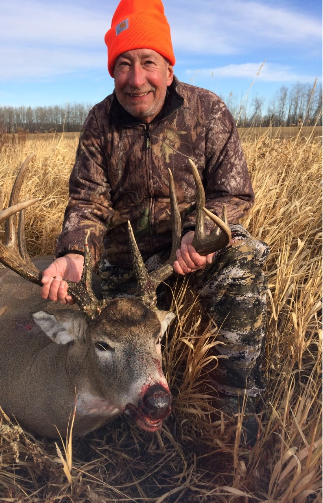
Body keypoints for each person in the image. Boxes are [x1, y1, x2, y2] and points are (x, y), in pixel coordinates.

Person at [41, 0, 269, 445]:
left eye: (148, 61)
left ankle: (236, 409)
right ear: (112, 72)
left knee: (243, 260)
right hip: (127, 260)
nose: (136, 78)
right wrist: (74, 253)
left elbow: (234, 192)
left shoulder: (209, 112)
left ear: (168, 66)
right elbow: (87, 200)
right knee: (86, 320)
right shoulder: (100, 123)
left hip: (192, 250)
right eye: (123, 64)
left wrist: (200, 236)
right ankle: (106, 415)